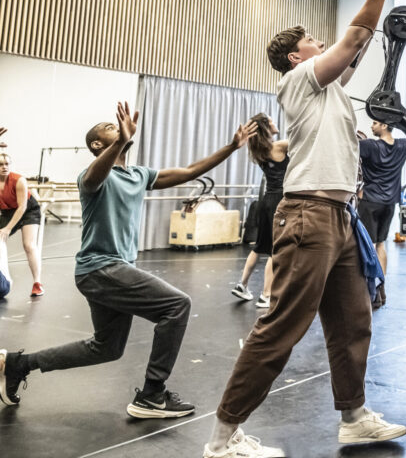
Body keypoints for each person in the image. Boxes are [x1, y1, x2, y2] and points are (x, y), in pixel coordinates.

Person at [204, 0, 405, 458]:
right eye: (315, 39)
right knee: (282, 325)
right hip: (307, 216)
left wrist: (383, 9)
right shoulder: (298, 83)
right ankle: (222, 438)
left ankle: (354, 418)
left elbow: (357, 47)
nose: (323, 41)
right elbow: (353, 40)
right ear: (297, 58)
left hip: (339, 217)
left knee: (354, 320)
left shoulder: (331, 89)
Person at [0, 101, 254, 418]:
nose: (116, 127)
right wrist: (120, 139)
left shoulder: (138, 174)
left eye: (116, 127)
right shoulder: (91, 177)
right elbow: (94, 177)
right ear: (96, 144)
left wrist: (231, 147)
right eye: (109, 128)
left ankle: (18, 365)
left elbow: (189, 172)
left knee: (106, 347)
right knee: (177, 305)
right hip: (100, 268)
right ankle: (152, 396)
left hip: (114, 271)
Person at [232, 114, 288, 309]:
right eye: (271, 121)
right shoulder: (279, 146)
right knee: (275, 250)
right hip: (279, 201)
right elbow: (303, 139)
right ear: (265, 127)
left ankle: (242, 285)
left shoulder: (260, 151)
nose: (275, 123)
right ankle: (266, 295)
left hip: (266, 201)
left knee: (259, 247)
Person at [358, 120, 406, 309]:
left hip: (370, 202)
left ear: (384, 125)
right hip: (389, 203)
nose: (371, 126)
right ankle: (380, 288)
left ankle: (371, 291)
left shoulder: (369, 146)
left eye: (374, 122)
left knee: (368, 245)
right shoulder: (404, 146)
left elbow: (345, 146)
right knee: (381, 244)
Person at [0, 153, 45, 296]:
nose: (4, 167)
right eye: (0, 164)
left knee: (28, 245)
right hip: (8, 211)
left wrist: (7, 229)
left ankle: (37, 284)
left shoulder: (19, 180)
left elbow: (22, 207)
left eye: (7, 164)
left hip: (28, 210)